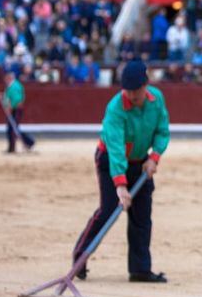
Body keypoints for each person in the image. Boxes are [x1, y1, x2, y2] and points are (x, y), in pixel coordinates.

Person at [72, 60, 170, 283]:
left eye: (137, 90)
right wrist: (120, 185)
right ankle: (79, 258)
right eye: (128, 91)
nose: (133, 95)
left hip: (141, 162)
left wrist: (155, 157)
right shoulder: (115, 108)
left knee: (142, 217)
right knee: (107, 210)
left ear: (146, 85)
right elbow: (116, 148)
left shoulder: (157, 100)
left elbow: (163, 132)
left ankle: (140, 270)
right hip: (110, 161)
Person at [0, 71, 35, 153]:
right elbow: (8, 97)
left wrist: (10, 107)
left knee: (13, 129)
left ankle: (28, 142)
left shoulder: (15, 86)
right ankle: (26, 143)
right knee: (12, 129)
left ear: (9, 78)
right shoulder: (11, 86)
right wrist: (3, 98)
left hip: (16, 110)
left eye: (6, 78)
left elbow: (18, 100)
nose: (5, 80)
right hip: (14, 110)